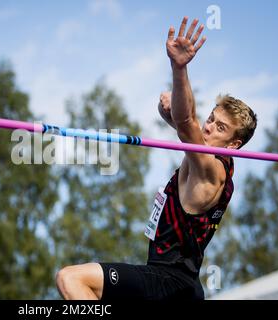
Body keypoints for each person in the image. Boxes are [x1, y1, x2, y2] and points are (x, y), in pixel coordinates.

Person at [55, 16, 257, 300]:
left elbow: (187, 122)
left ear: (235, 144)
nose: (209, 126)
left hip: (169, 283)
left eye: (220, 127)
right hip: (176, 285)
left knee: (72, 279)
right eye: (211, 118)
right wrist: (172, 113)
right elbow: (185, 124)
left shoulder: (211, 170)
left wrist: (179, 67)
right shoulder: (206, 158)